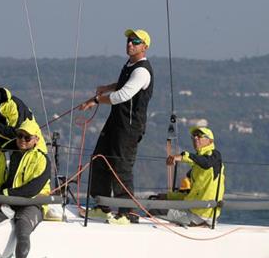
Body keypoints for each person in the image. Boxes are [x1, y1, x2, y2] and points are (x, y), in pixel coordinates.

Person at [78, 28, 154, 225]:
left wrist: (96, 99)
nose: (130, 44)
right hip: (116, 122)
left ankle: (127, 212)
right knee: (99, 159)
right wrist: (107, 87)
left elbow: (123, 95)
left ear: (144, 47)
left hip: (129, 127)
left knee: (121, 167)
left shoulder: (142, 71)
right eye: (129, 40)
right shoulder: (130, 65)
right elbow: (121, 85)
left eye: (135, 41)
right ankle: (102, 206)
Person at [0, 119, 52, 258]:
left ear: (36, 140)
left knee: (22, 228)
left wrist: (6, 194)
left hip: (32, 203)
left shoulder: (42, 160)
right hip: (9, 201)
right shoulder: (7, 154)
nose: (22, 140)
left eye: (27, 137)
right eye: (20, 136)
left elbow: (32, 190)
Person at [162, 126, 225, 226]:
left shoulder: (215, 156)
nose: (195, 138)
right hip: (194, 210)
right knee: (156, 202)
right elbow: (190, 194)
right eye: (194, 136)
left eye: (199, 136)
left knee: (156, 210)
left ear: (210, 141)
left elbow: (207, 163)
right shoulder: (196, 166)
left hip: (201, 214)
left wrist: (182, 156)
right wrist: (168, 196)